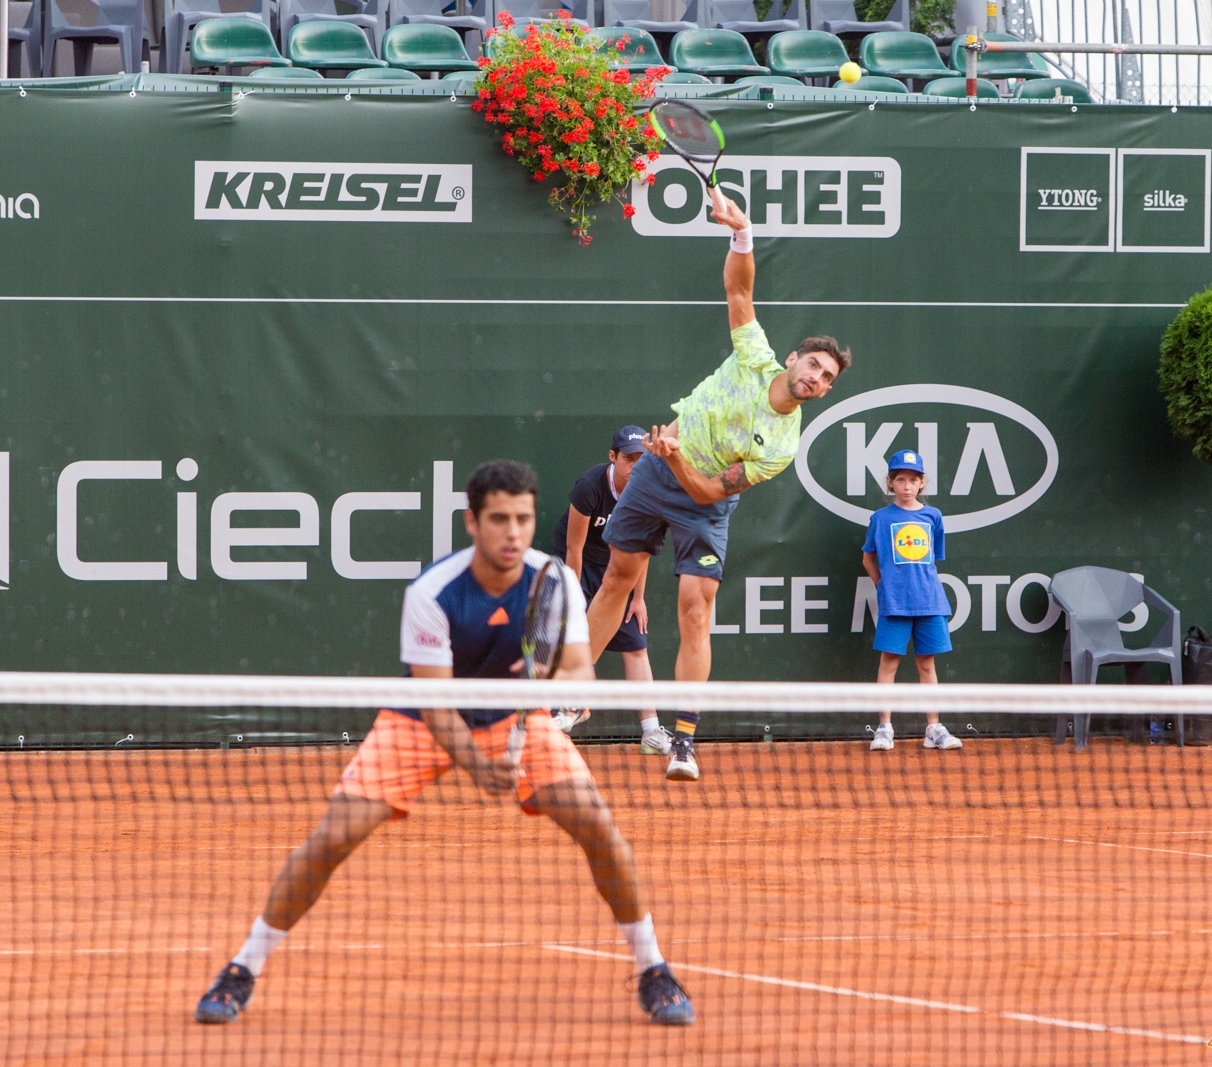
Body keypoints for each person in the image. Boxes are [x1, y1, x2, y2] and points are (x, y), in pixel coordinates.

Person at [194, 460, 695, 1027]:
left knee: (598, 828)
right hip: (423, 722)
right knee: (334, 836)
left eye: (523, 520)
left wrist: (544, 675)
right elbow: (435, 704)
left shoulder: (553, 580)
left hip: (518, 718)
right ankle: (243, 966)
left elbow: (581, 676)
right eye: (499, 519)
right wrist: (478, 766)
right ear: (472, 523)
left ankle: (653, 968)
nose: (513, 533)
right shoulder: (433, 590)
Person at [585, 187, 850, 782]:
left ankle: (682, 740)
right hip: (655, 473)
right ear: (792, 359)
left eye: (827, 377)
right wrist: (742, 232)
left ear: (826, 391)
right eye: (813, 364)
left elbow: (708, 493)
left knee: (694, 610)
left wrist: (676, 458)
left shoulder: (783, 446)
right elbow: (739, 290)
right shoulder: (754, 355)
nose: (815, 377)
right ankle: (568, 700)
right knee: (616, 584)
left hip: (699, 497)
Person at [549, 426, 674, 756]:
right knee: (575, 640)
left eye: (642, 459)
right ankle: (571, 704)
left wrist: (637, 597)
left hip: (618, 569)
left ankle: (650, 732)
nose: (635, 465)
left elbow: (641, 551)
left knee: (635, 646)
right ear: (613, 457)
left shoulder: (649, 492)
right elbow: (573, 548)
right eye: (628, 458)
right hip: (575, 564)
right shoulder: (590, 486)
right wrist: (574, 598)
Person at [861, 450, 962, 752]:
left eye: (913, 480)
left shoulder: (933, 516)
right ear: (890, 483)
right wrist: (884, 587)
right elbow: (868, 559)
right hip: (895, 604)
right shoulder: (880, 519)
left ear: (922, 484)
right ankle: (884, 729)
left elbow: (933, 560)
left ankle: (933, 728)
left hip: (930, 601)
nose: (907, 485)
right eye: (901, 479)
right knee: (889, 663)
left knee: (927, 666)